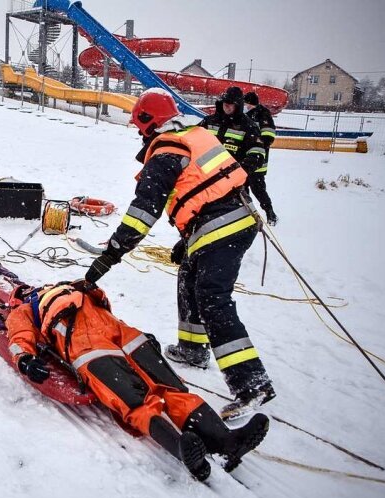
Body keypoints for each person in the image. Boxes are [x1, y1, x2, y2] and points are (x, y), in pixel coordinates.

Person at [84, 88, 275, 420]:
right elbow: (208, 186)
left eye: (138, 125)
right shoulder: (194, 134)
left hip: (222, 226)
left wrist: (112, 252)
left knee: (212, 297)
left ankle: (251, 384)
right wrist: (186, 241)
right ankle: (192, 349)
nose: (138, 132)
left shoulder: (166, 150)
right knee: (189, 277)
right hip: (226, 219)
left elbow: (144, 210)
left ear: (148, 121)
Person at [6, 280, 270, 481]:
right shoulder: (25, 310)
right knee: (132, 397)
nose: (31, 289)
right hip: (82, 339)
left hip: (119, 330)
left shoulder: (70, 287)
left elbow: (102, 302)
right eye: (24, 291)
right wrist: (26, 360)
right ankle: (183, 449)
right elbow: (19, 338)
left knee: (171, 387)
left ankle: (226, 443)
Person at [199, 86, 266, 197]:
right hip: (205, 179)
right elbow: (194, 140)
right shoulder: (209, 121)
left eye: (230, 103)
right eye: (225, 102)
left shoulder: (248, 126)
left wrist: (238, 171)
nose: (226, 105)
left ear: (238, 105)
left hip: (234, 184)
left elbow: (257, 153)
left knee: (236, 212)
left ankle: (270, 212)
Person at [243, 91, 278, 225]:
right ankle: (247, 216)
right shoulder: (247, 115)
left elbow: (268, 136)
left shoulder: (263, 114)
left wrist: (256, 144)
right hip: (245, 160)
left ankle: (270, 214)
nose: (245, 106)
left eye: (246, 104)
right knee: (243, 189)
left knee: (258, 189)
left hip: (257, 161)